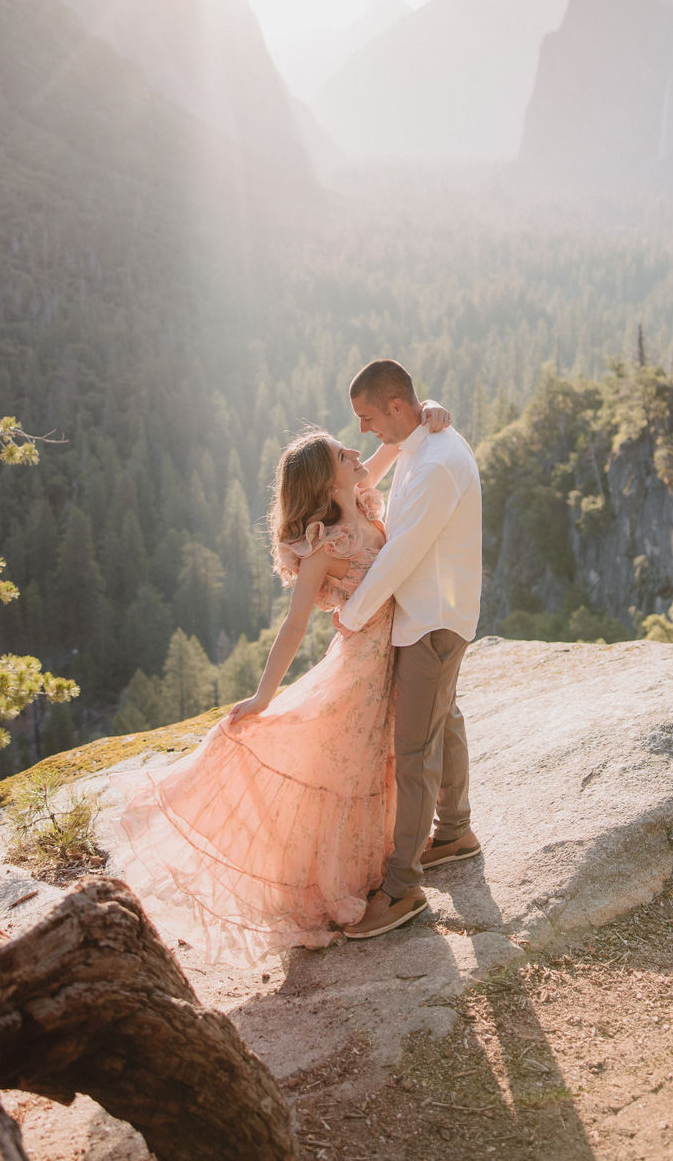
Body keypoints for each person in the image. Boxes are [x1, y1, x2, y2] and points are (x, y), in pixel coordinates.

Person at [104, 405, 448, 965]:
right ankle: (344, 885)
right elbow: (293, 626)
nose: (357, 454)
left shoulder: (362, 501)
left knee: (384, 760)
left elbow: (388, 448)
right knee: (351, 768)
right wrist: (264, 697)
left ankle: (380, 868)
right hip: (362, 669)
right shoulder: (324, 545)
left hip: (400, 654)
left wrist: (424, 413)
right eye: (344, 453)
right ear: (326, 479)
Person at [337, 358, 483, 941]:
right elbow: (376, 477)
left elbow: (402, 554)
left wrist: (352, 613)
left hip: (432, 622)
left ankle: (401, 887)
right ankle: (454, 832)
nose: (365, 430)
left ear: (397, 406)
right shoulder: (420, 444)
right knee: (442, 719)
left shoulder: (438, 463)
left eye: (368, 417)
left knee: (414, 749)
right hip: (430, 615)